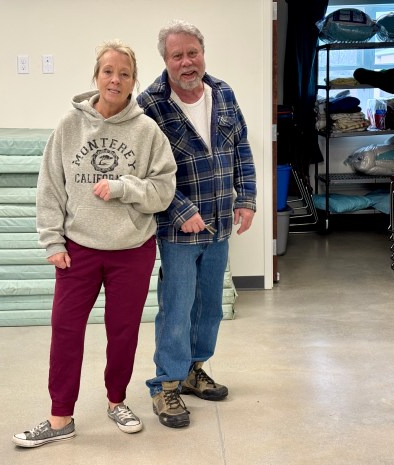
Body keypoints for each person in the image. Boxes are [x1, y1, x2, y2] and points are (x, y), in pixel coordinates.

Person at [12, 39, 177, 447]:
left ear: (133, 80)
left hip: (132, 250)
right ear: (96, 76)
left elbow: (164, 190)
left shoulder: (147, 131)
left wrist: (123, 187)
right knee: (65, 330)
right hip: (78, 249)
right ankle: (59, 417)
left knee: (123, 333)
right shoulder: (70, 127)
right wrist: (52, 240)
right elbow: (49, 187)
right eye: (108, 71)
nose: (115, 79)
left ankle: (117, 400)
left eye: (124, 73)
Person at [137, 20, 257, 428]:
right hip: (178, 232)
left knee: (210, 308)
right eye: (177, 56)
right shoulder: (150, 104)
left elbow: (240, 146)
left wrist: (249, 199)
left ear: (202, 52)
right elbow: (146, 172)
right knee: (176, 308)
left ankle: (193, 369)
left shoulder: (223, 92)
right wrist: (179, 208)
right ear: (165, 60)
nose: (187, 62)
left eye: (193, 53)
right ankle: (165, 386)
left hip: (221, 220)